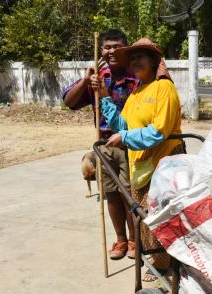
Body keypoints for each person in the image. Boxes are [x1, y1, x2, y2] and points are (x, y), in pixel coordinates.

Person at [95, 38, 183, 282]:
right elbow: (123, 124)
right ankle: (157, 258)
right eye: (131, 58)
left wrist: (124, 137)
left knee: (161, 215)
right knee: (144, 216)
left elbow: (159, 131)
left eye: (140, 57)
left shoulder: (163, 88)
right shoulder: (137, 91)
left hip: (164, 162)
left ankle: (165, 264)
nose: (134, 61)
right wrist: (104, 98)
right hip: (141, 162)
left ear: (154, 61)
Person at [62, 29, 138, 260]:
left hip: (130, 143)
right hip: (103, 143)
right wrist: (86, 80)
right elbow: (69, 101)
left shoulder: (137, 75)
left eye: (117, 46)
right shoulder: (97, 76)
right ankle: (121, 240)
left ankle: (135, 240)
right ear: (101, 50)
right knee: (111, 194)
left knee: (130, 195)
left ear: (126, 48)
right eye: (107, 47)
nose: (112, 50)